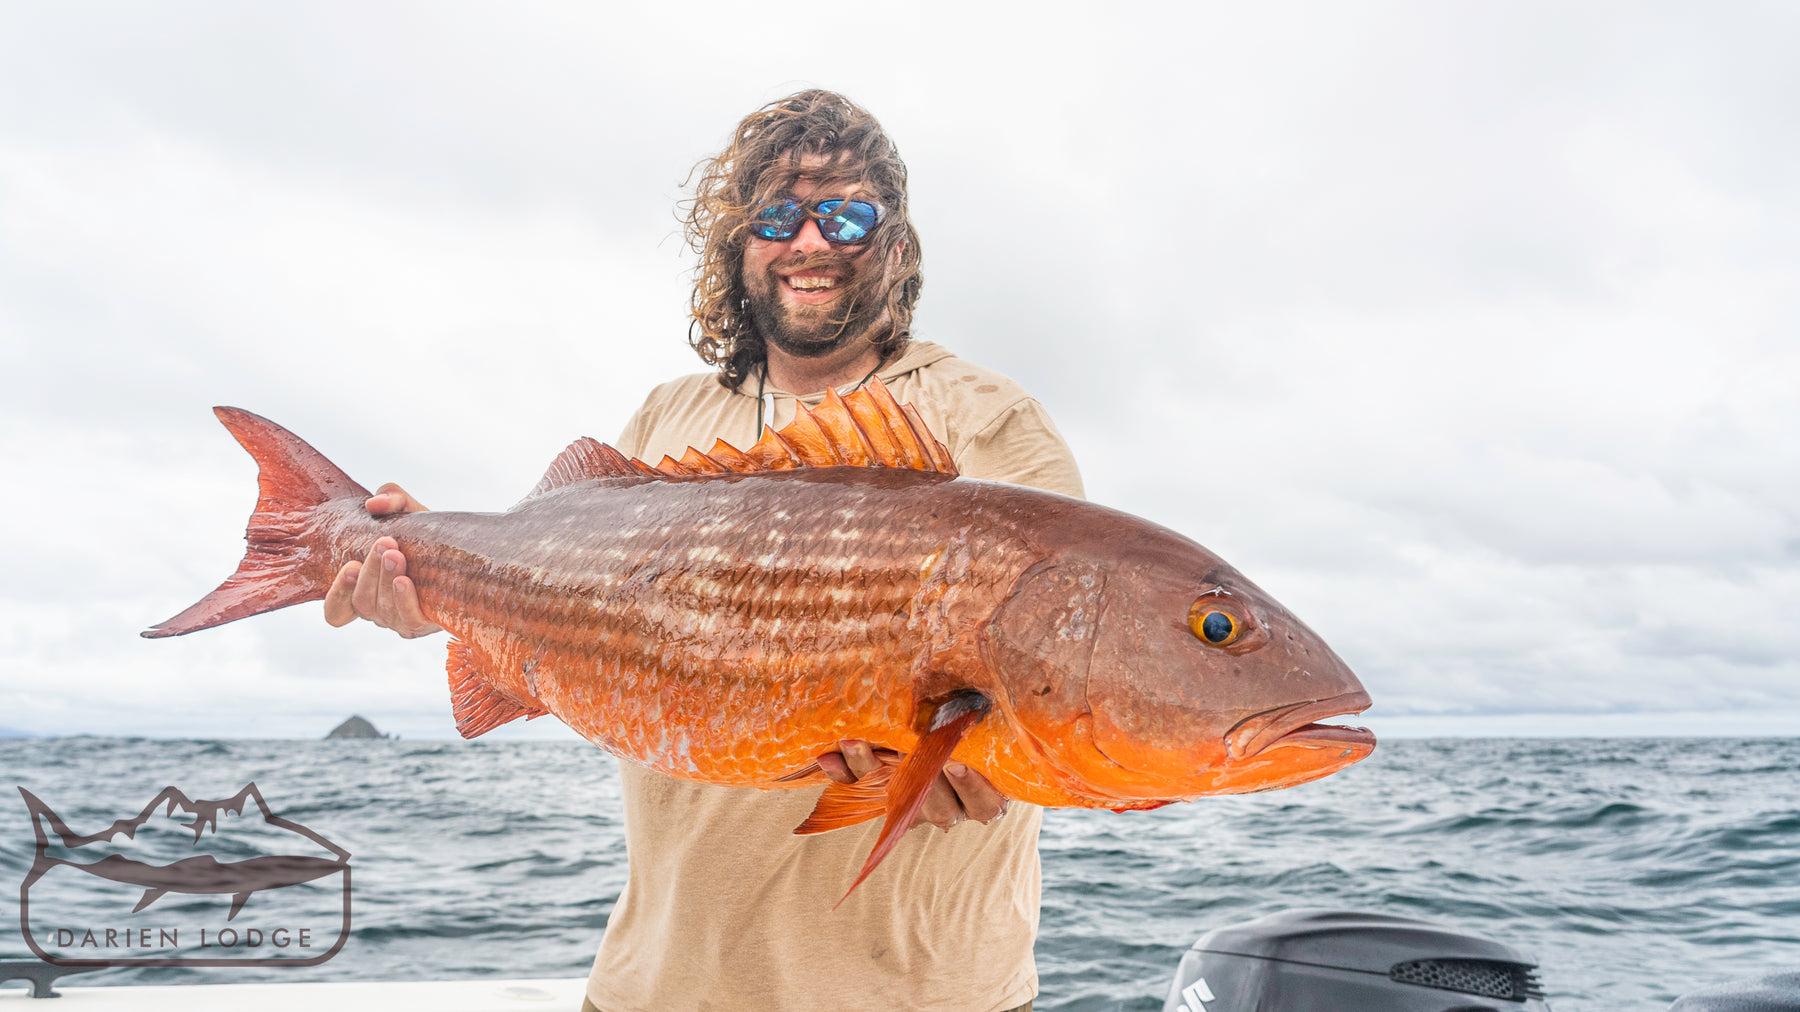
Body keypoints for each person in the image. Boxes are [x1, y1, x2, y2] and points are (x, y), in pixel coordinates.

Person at [322, 90, 1083, 1012]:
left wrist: (976, 772)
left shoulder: (988, 418)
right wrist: (428, 572)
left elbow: (1055, 678)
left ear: (894, 243)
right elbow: (566, 598)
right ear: (739, 245)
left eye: (846, 213)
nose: (809, 242)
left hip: (918, 995)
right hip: (656, 984)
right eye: (776, 216)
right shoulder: (667, 416)